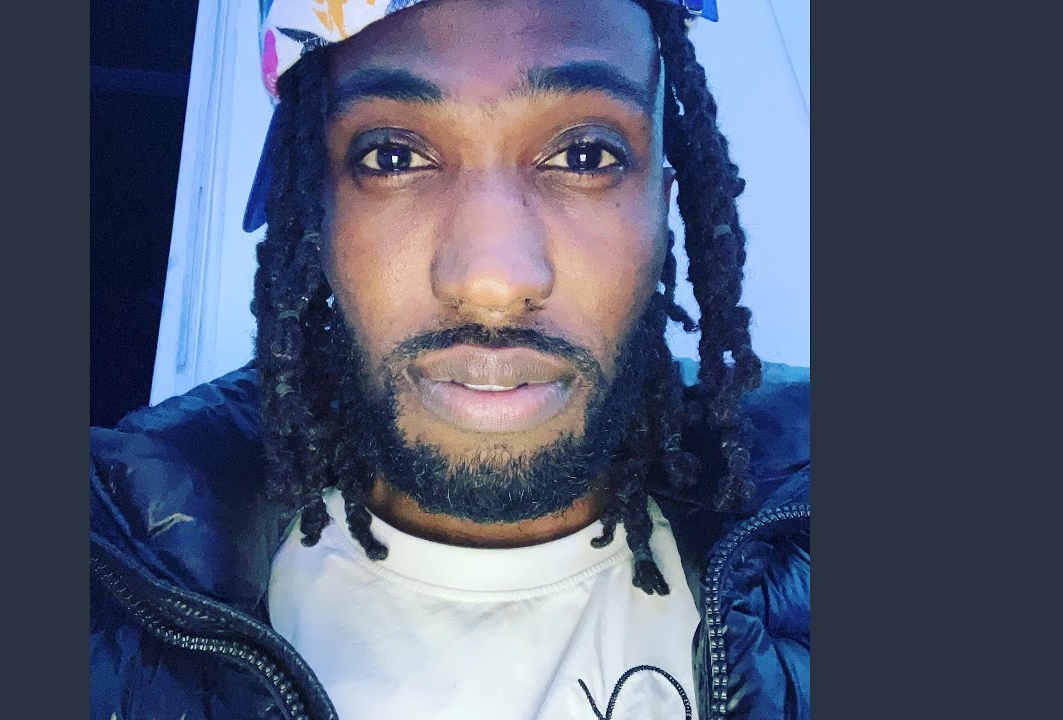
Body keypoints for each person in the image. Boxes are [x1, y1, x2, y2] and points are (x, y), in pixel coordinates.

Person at [89, 0, 809, 718]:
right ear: (314, 212)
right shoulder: (107, 586)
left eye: (585, 156)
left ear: (664, 205)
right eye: (393, 157)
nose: (493, 281)